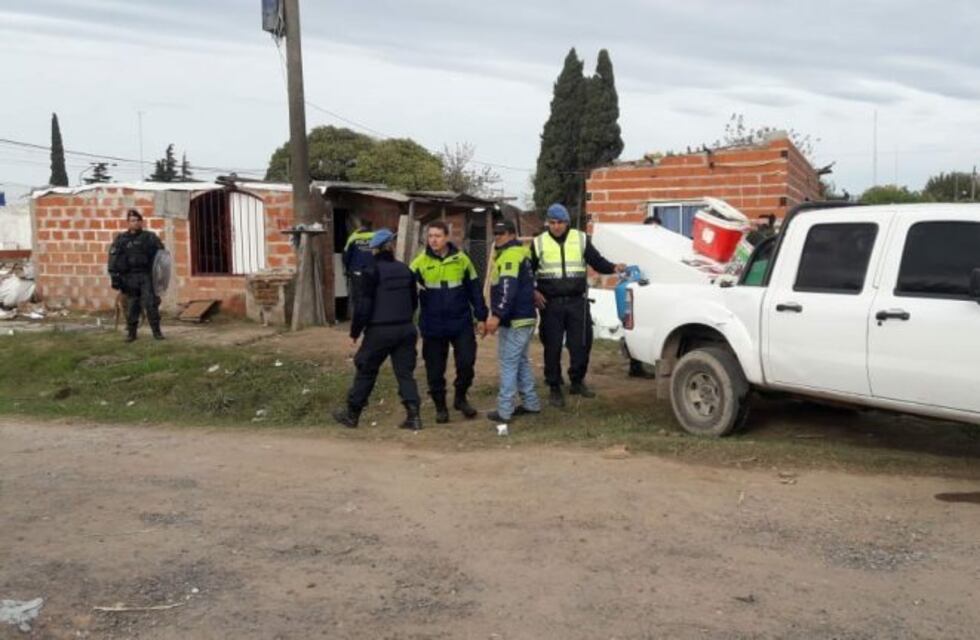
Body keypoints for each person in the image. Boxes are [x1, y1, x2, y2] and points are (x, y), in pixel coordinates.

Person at [531, 203, 625, 407]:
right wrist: (533, 290)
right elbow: (528, 271)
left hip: (577, 302)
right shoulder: (538, 243)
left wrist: (614, 267)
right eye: (552, 222)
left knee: (582, 343)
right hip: (550, 304)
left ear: (567, 222)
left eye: (560, 222)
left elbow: (597, 261)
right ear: (548, 223)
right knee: (552, 347)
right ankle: (554, 386)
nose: (556, 226)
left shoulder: (581, 239)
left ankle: (577, 381)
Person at [333, 229, 423, 431]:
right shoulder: (405, 269)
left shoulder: (371, 271)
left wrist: (355, 332)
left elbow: (363, 306)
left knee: (366, 370)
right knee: (405, 374)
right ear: (391, 247)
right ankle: (414, 417)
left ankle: (352, 415)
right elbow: (413, 301)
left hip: (380, 331)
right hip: (406, 329)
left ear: (374, 250)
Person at [409, 220, 488, 423]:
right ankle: (440, 407)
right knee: (434, 369)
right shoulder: (419, 263)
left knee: (467, 362)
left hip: (460, 322)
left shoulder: (462, 260)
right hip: (432, 324)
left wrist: (481, 317)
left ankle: (460, 398)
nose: (434, 240)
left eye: (438, 236)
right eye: (430, 236)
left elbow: (475, 291)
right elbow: (406, 293)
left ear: (447, 237)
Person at [484, 220, 541, 423]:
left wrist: (497, 315)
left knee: (508, 363)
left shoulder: (509, 257)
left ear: (511, 235)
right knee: (521, 361)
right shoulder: (519, 254)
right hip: (521, 317)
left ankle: (504, 410)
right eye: (495, 233)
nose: (497, 236)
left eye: (501, 233)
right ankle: (531, 403)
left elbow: (508, 290)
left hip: (516, 319)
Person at [107, 209, 165, 342]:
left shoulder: (150, 238)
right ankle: (131, 334)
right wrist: (114, 277)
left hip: (146, 276)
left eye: (138, 220)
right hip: (129, 277)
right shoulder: (121, 239)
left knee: (151, 304)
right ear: (128, 222)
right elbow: (113, 258)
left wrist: (160, 278)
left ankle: (157, 333)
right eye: (133, 220)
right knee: (132, 306)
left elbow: (162, 258)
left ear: (141, 222)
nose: (136, 223)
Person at [342, 219, 375, 317]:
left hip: (357, 271)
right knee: (372, 294)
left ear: (361, 225)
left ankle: (359, 317)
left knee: (358, 296)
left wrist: (347, 269)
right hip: (372, 271)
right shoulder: (375, 237)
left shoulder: (353, 237)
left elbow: (346, 255)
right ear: (371, 227)